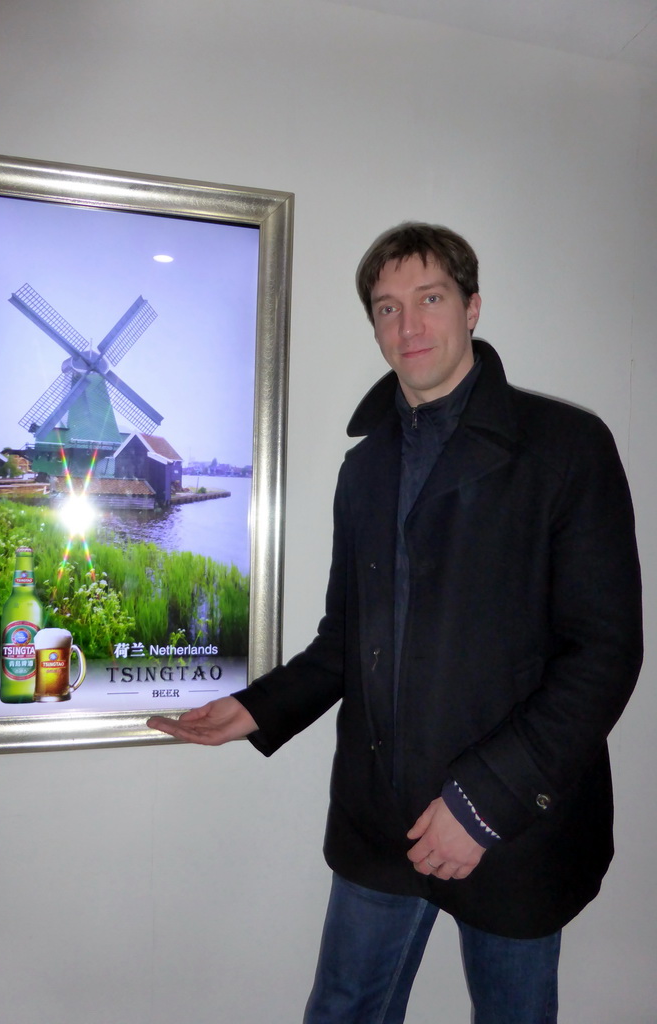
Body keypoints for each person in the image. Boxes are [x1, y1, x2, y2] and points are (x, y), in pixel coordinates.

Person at [148, 223, 643, 1023]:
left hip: (510, 819)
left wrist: (481, 806)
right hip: (380, 815)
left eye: (430, 299)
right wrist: (257, 708)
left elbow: (605, 653)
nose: (408, 326)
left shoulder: (568, 448)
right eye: (386, 308)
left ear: (473, 307)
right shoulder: (365, 467)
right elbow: (347, 639)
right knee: (341, 1007)